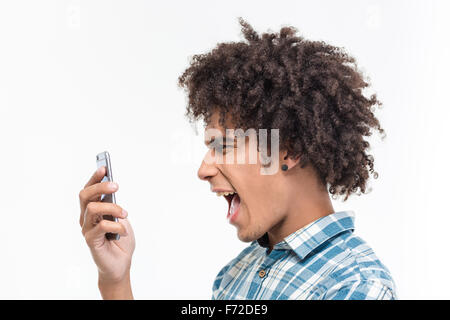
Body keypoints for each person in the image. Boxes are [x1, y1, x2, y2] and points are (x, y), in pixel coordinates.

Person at [78, 18, 396, 300]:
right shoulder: (234, 276)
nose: (203, 169)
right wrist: (115, 281)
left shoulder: (356, 286)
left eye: (225, 146)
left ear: (289, 149)